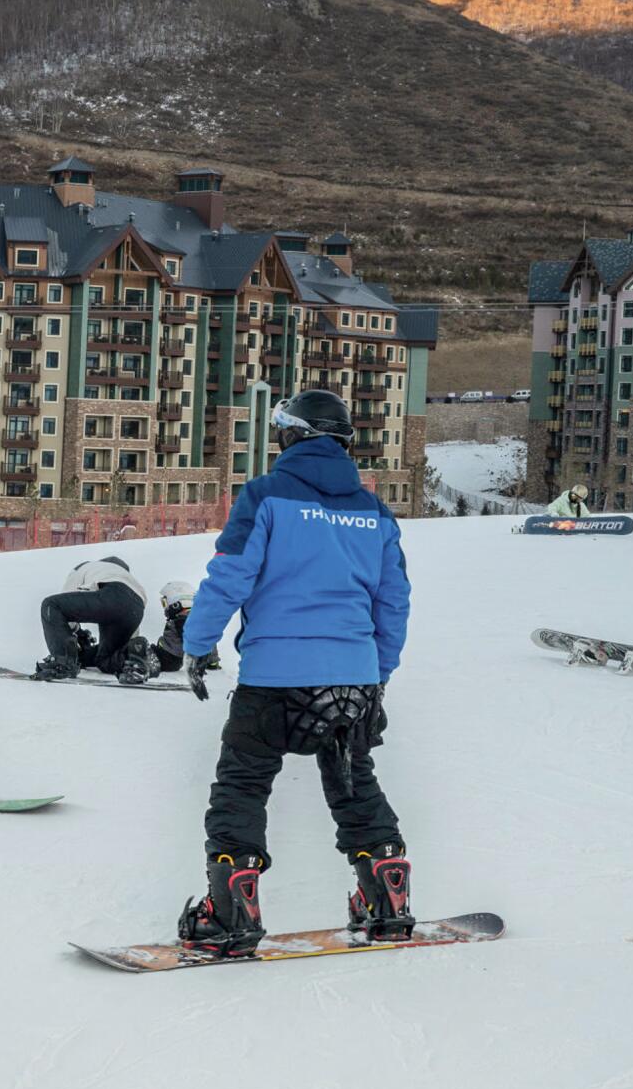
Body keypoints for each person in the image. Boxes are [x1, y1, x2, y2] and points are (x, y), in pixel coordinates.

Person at [174, 390, 414, 958]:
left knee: (243, 782)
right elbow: (394, 601)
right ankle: (387, 895)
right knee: (354, 781)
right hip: (353, 677)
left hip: (276, 676)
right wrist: (375, 676)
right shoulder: (374, 511)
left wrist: (197, 645)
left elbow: (229, 576)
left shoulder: (265, 495)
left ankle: (228, 909)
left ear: (291, 436)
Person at [34, 556, 155, 685]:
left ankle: (63, 663)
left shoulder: (88, 566)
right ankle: (135, 659)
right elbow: (131, 628)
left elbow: (65, 602)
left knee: (51, 605)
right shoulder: (129, 579)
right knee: (105, 660)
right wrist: (134, 646)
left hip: (112, 593)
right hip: (136, 606)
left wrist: (74, 633)